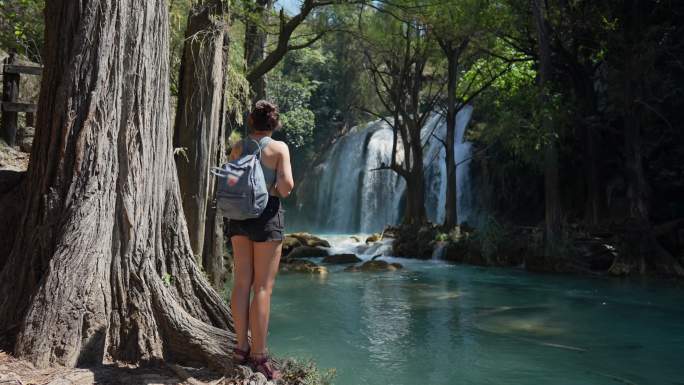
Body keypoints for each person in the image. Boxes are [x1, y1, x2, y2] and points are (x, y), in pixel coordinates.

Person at [227, 100, 294, 380]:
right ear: (274, 124)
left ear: (251, 122)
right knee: (263, 287)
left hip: (239, 216)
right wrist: (269, 185)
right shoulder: (279, 148)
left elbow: (229, 182)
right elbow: (287, 187)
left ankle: (240, 347)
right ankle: (259, 354)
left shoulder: (239, 147)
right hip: (267, 216)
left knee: (242, 281)